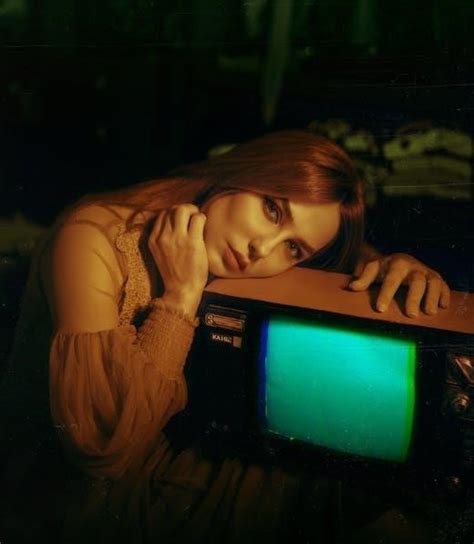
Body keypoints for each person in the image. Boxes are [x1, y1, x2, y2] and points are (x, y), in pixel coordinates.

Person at [0, 130, 450, 544]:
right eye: (272, 209)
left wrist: (394, 264)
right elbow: (102, 447)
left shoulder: (234, 244)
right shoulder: (89, 237)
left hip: (169, 467)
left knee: (397, 506)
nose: (261, 249)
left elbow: (340, 260)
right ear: (242, 172)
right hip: (73, 508)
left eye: (292, 247)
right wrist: (180, 296)